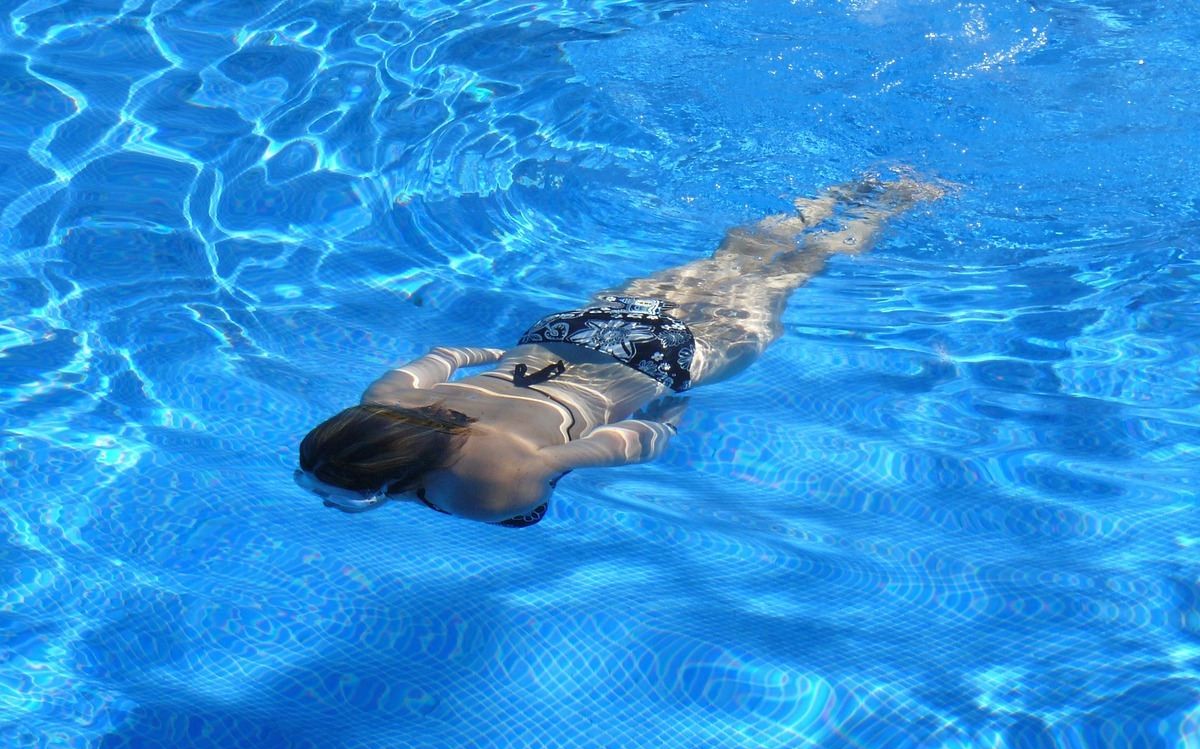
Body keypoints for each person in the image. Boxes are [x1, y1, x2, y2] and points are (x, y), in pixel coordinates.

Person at [296, 175, 943, 525]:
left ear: (388, 482)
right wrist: (494, 349)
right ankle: (838, 188)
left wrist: (662, 424)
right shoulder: (384, 398)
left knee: (793, 272)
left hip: (659, 362)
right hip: (574, 331)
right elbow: (444, 352)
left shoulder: (488, 488)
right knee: (736, 255)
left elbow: (614, 445)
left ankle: (900, 200)